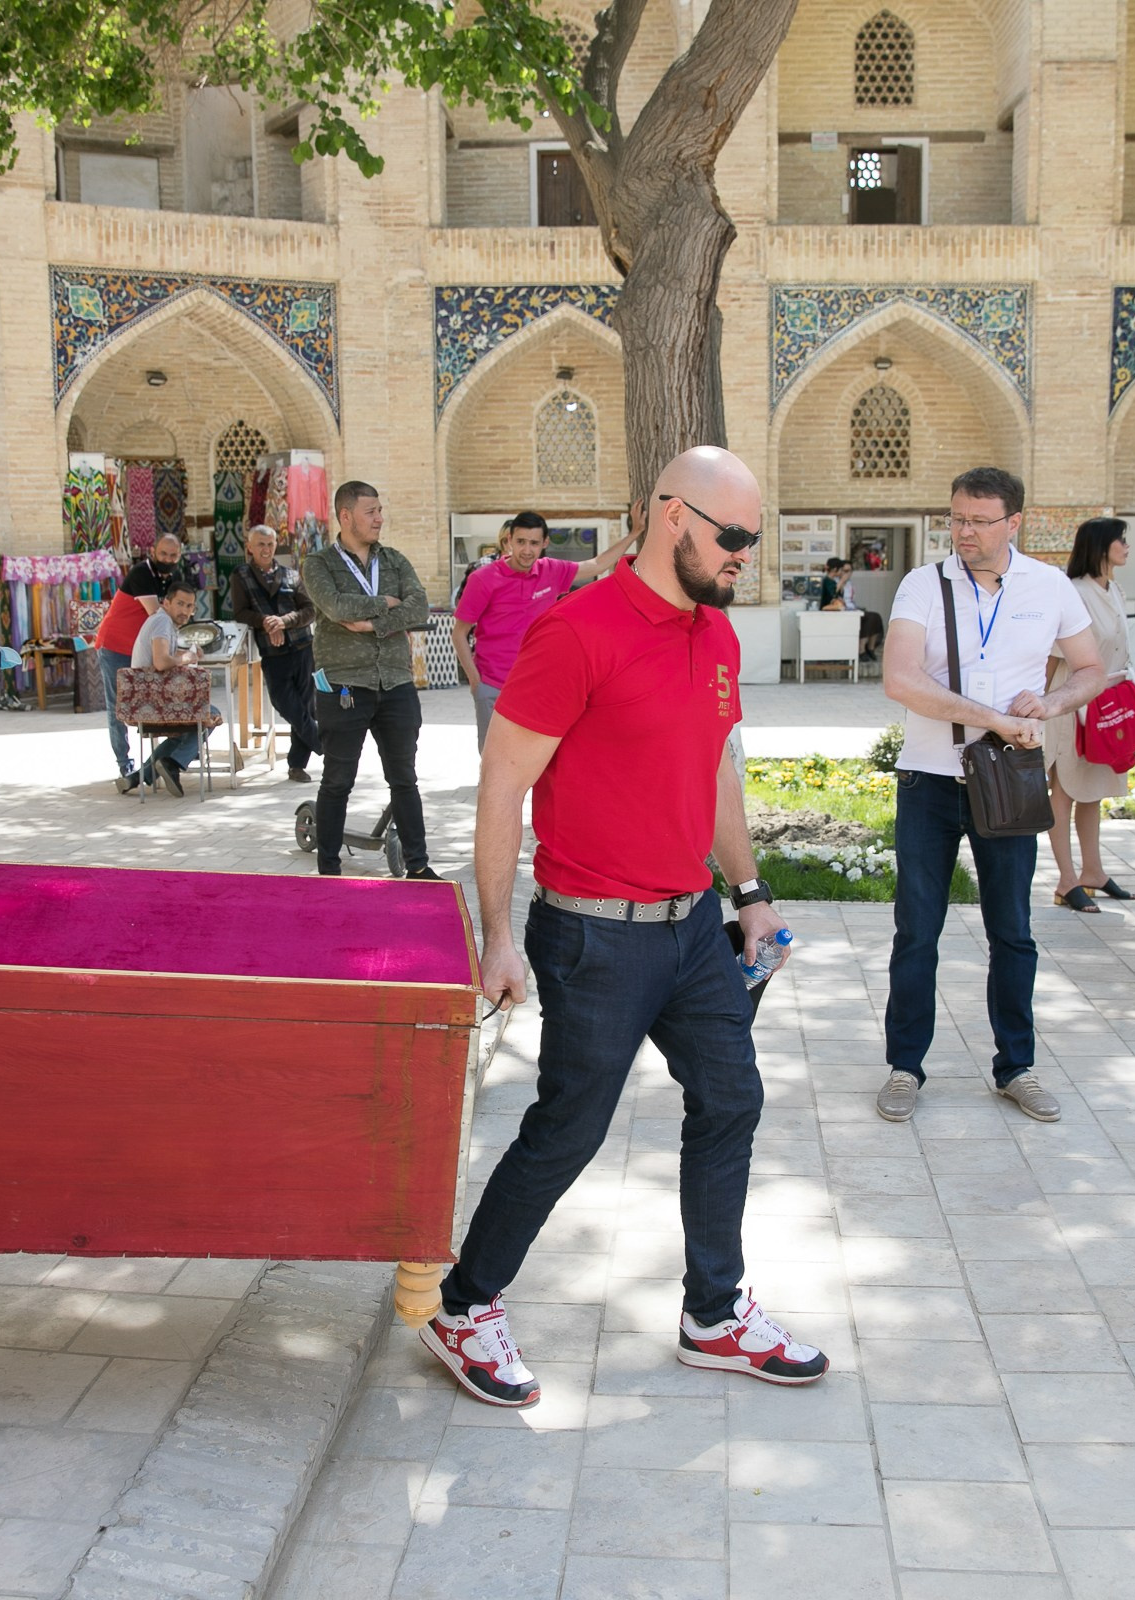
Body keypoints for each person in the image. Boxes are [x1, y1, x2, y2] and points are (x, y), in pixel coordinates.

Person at [424, 445, 825, 1407]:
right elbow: (502, 785)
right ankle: (464, 1308)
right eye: (732, 539)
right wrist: (498, 935)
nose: (745, 559)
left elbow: (715, 773)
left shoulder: (718, 637)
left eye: (754, 542)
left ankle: (714, 1314)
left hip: (691, 932)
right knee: (569, 1128)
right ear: (672, 515)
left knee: (731, 1101)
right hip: (592, 936)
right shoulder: (577, 632)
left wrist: (751, 890)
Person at [875, 468, 1105, 1125]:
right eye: (957, 518)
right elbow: (900, 678)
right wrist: (995, 716)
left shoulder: (1048, 586)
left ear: (1014, 523)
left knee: (1013, 930)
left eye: (979, 520)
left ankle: (1017, 1068)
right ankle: (904, 1068)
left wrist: (1050, 700)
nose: (964, 531)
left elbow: (1090, 668)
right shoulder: (925, 584)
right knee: (917, 930)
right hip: (929, 778)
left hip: (1008, 776)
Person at [300, 482, 437, 878]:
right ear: (346, 516)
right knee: (338, 779)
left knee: (404, 779)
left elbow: (420, 606)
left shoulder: (393, 560)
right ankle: (329, 869)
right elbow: (335, 605)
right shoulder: (319, 564)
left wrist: (370, 624)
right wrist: (386, 604)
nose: (380, 518)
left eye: (380, 510)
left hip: (395, 683)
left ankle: (419, 866)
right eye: (370, 511)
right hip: (344, 684)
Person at [454, 511, 636, 747]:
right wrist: (476, 683)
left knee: (540, 762)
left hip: (540, 685)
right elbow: (459, 633)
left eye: (534, 543)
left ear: (545, 543)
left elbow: (597, 565)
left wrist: (634, 533)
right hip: (494, 686)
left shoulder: (551, 571)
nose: (527, 550)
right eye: (521, 542)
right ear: (509, 540)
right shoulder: (483, 579)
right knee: (494, 764)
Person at [1045, 518, 1135, 914]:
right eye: (1122, 540)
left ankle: (1094, 872)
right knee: (1065, 787)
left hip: (1107, 704)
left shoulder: (1114, 589)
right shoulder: (1074, 592)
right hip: (1070, 704)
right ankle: (1066, 880)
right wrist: (1040, 706)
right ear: (1102, 546)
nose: (1127, 546)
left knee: (1094, 786)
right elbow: (1053, 653)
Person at [224, 524, 318, 782]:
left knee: (307, 706)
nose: (266, 549)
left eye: (270, 544)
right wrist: (267, 621)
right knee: (284, 702)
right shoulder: (241, 575)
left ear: (275, 545)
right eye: (260, 544)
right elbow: (241, 612)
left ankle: (297, 765)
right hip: (272, 652)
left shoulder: (291, 575)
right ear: (250, 547)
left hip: (301, 647)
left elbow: (310, 610)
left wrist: (283, 621)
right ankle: (323, 743)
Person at [126, 577, 223, 795]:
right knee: (209, 714)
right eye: (180, 603)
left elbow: (161, 657)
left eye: (189, 606)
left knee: (188, 728)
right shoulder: (161, 622)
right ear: (166, 603)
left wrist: (183, 655)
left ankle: (139, 776)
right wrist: (186, 657)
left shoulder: (164, 623)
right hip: (149, 704)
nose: (185, 610)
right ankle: (174, 764)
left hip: (147, 701)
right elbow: (161, 662)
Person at [91, 542, 169, 791]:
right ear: (153, 552)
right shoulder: (141, 573)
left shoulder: (170, 576)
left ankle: (163, 758)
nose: (168, 558)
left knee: (160, 699)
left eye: (173, 554)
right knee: (118, 707)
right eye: (164, 553)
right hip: (116, 645)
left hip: (143, 647)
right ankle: (125, 763)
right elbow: (156, 612)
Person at [815, 557, 886, 662]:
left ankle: (870, 648)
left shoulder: (848, 583)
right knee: (869, 618)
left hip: (850, 610)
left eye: (849, 571)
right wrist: (842, 582)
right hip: (840, 612)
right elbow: (834, 597)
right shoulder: (832, 581)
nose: (845, 573)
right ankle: (861, 649)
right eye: (843, 571)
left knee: (875, 617)